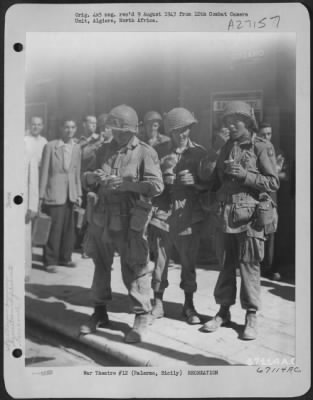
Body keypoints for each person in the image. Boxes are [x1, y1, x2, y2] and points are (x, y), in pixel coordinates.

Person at [79, 104, 164, 343]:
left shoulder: (145, 152)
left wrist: (127, 184)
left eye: (121, 132)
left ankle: (141, 315)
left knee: (135, 267)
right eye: (113, 130)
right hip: (102, 217)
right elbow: (86, 177)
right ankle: (99, 312)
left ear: (132, 131)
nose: (115, 135)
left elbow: (157, 186)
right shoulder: (104, 149)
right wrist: (93, 178)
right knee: (100, 264)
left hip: (129, 219)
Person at [201, 101, 279, 340]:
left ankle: (251, 315)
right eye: (227, 121)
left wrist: (245, 175)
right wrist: (215, 152)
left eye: (236, 120)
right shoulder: (225, 147)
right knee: (225, 266)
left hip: (250, 218)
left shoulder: (261, 147)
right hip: (225, 216)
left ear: (248, 122)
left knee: (249, 266)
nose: (231, 125)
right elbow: (210, 178)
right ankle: (223, 311)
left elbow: (273, 182)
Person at [149, 107, 208, 324]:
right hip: (164, 213)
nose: (182, 134)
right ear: (170, 132)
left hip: (189, 214)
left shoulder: (200, 153)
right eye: (177, 131)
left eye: (185, 129)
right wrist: (163, 184)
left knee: (188, 262)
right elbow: (149, 183)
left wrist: (196, 184)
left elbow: (210, 184)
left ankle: (189, 305)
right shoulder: (158, 151)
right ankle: (157, 301)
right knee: (160, 262)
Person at [39, 119, 82, 272]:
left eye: (72, 127)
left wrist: (79, 194)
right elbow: (44, 171)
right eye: (66, 127)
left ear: (75, 129)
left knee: (69, 229)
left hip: (71, 193)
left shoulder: (76, 148)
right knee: (54, 229)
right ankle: (50, 260)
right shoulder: (50, 146)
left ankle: (65, 258)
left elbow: (77, 172)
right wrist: (41, 194)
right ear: (61, 128)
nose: (69, 130)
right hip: (54, 192)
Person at [258, 122, 288, 281]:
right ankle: (254, 266)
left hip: (271, 198)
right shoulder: (253, 150)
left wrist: (276, 172)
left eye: (269, 134)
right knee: (255, 232)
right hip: (255, 196)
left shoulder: (278, 152)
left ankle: (268, 268)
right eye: (263, 134)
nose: (266, 137)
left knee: (270, 232)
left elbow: (285, 176)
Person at [25, 147, 39, 282]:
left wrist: (32, 206)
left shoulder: (29, 151)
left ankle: (25, 271)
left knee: (24, 238)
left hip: (22, 206)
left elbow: (33, 181)